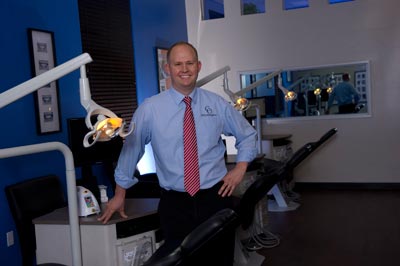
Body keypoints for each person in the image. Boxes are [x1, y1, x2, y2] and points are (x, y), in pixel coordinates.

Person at [98, 41, 257, 265]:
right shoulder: (150, 108)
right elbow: (132, 149)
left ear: (199, 66)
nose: (184, 69)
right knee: (180, 261)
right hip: (175, 203)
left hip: (216, 197)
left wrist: (240, 168)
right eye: (178, 64)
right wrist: (120, 194)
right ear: (168, 69)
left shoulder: (217, 104)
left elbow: (248, 135)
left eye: (190, 63)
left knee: (220, 259)